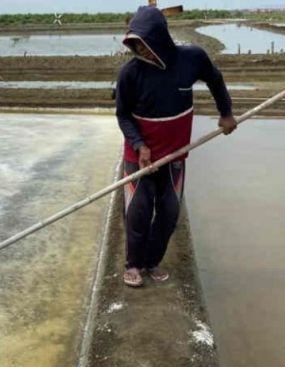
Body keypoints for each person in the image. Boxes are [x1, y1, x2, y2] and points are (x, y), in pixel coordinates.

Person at [115, 6, 237, 287]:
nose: (141, 50)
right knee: (139, 212)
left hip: (175, 155)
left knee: (169, 212)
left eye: (144, 43)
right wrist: (139, 144)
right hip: (140, 156)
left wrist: (226, 113)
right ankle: (133, 264)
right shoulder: (130, 74)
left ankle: (151, 262)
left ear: (159, 37)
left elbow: (215, 80)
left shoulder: (192, 58)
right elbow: (122, 114)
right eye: (135, 45)